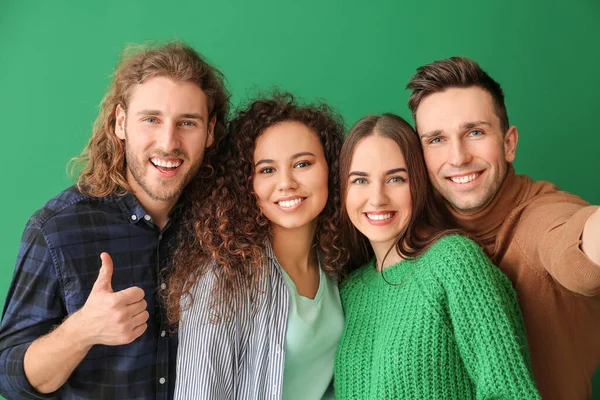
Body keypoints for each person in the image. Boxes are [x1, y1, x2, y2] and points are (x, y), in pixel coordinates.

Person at [0, 41, 229, 400]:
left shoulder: (224, 228)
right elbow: (8, 377)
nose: (169, 142)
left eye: (187, 122)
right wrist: (82, 331)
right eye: (151, 119)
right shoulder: (57, 229)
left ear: (210, 131)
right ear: (121, 123)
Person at [406, 56, 600, 400]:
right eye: (436, 140)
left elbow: (576, 249)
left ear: (509, 143)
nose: (458, 156)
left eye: (475, 132)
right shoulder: (414, 228)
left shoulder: (543, 215)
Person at [333, 113, 540, 399]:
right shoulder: (349, 290)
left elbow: (509, 392)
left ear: (419, 183)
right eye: (360, 181)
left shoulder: (453, 261)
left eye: (396, 178)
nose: (377, 197)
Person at [166, 92, 346, 399]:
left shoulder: (336, 262)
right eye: (267, 170)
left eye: (302, 163)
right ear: (246, 185)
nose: (286, 182)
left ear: (330, 170)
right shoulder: (223, 277)